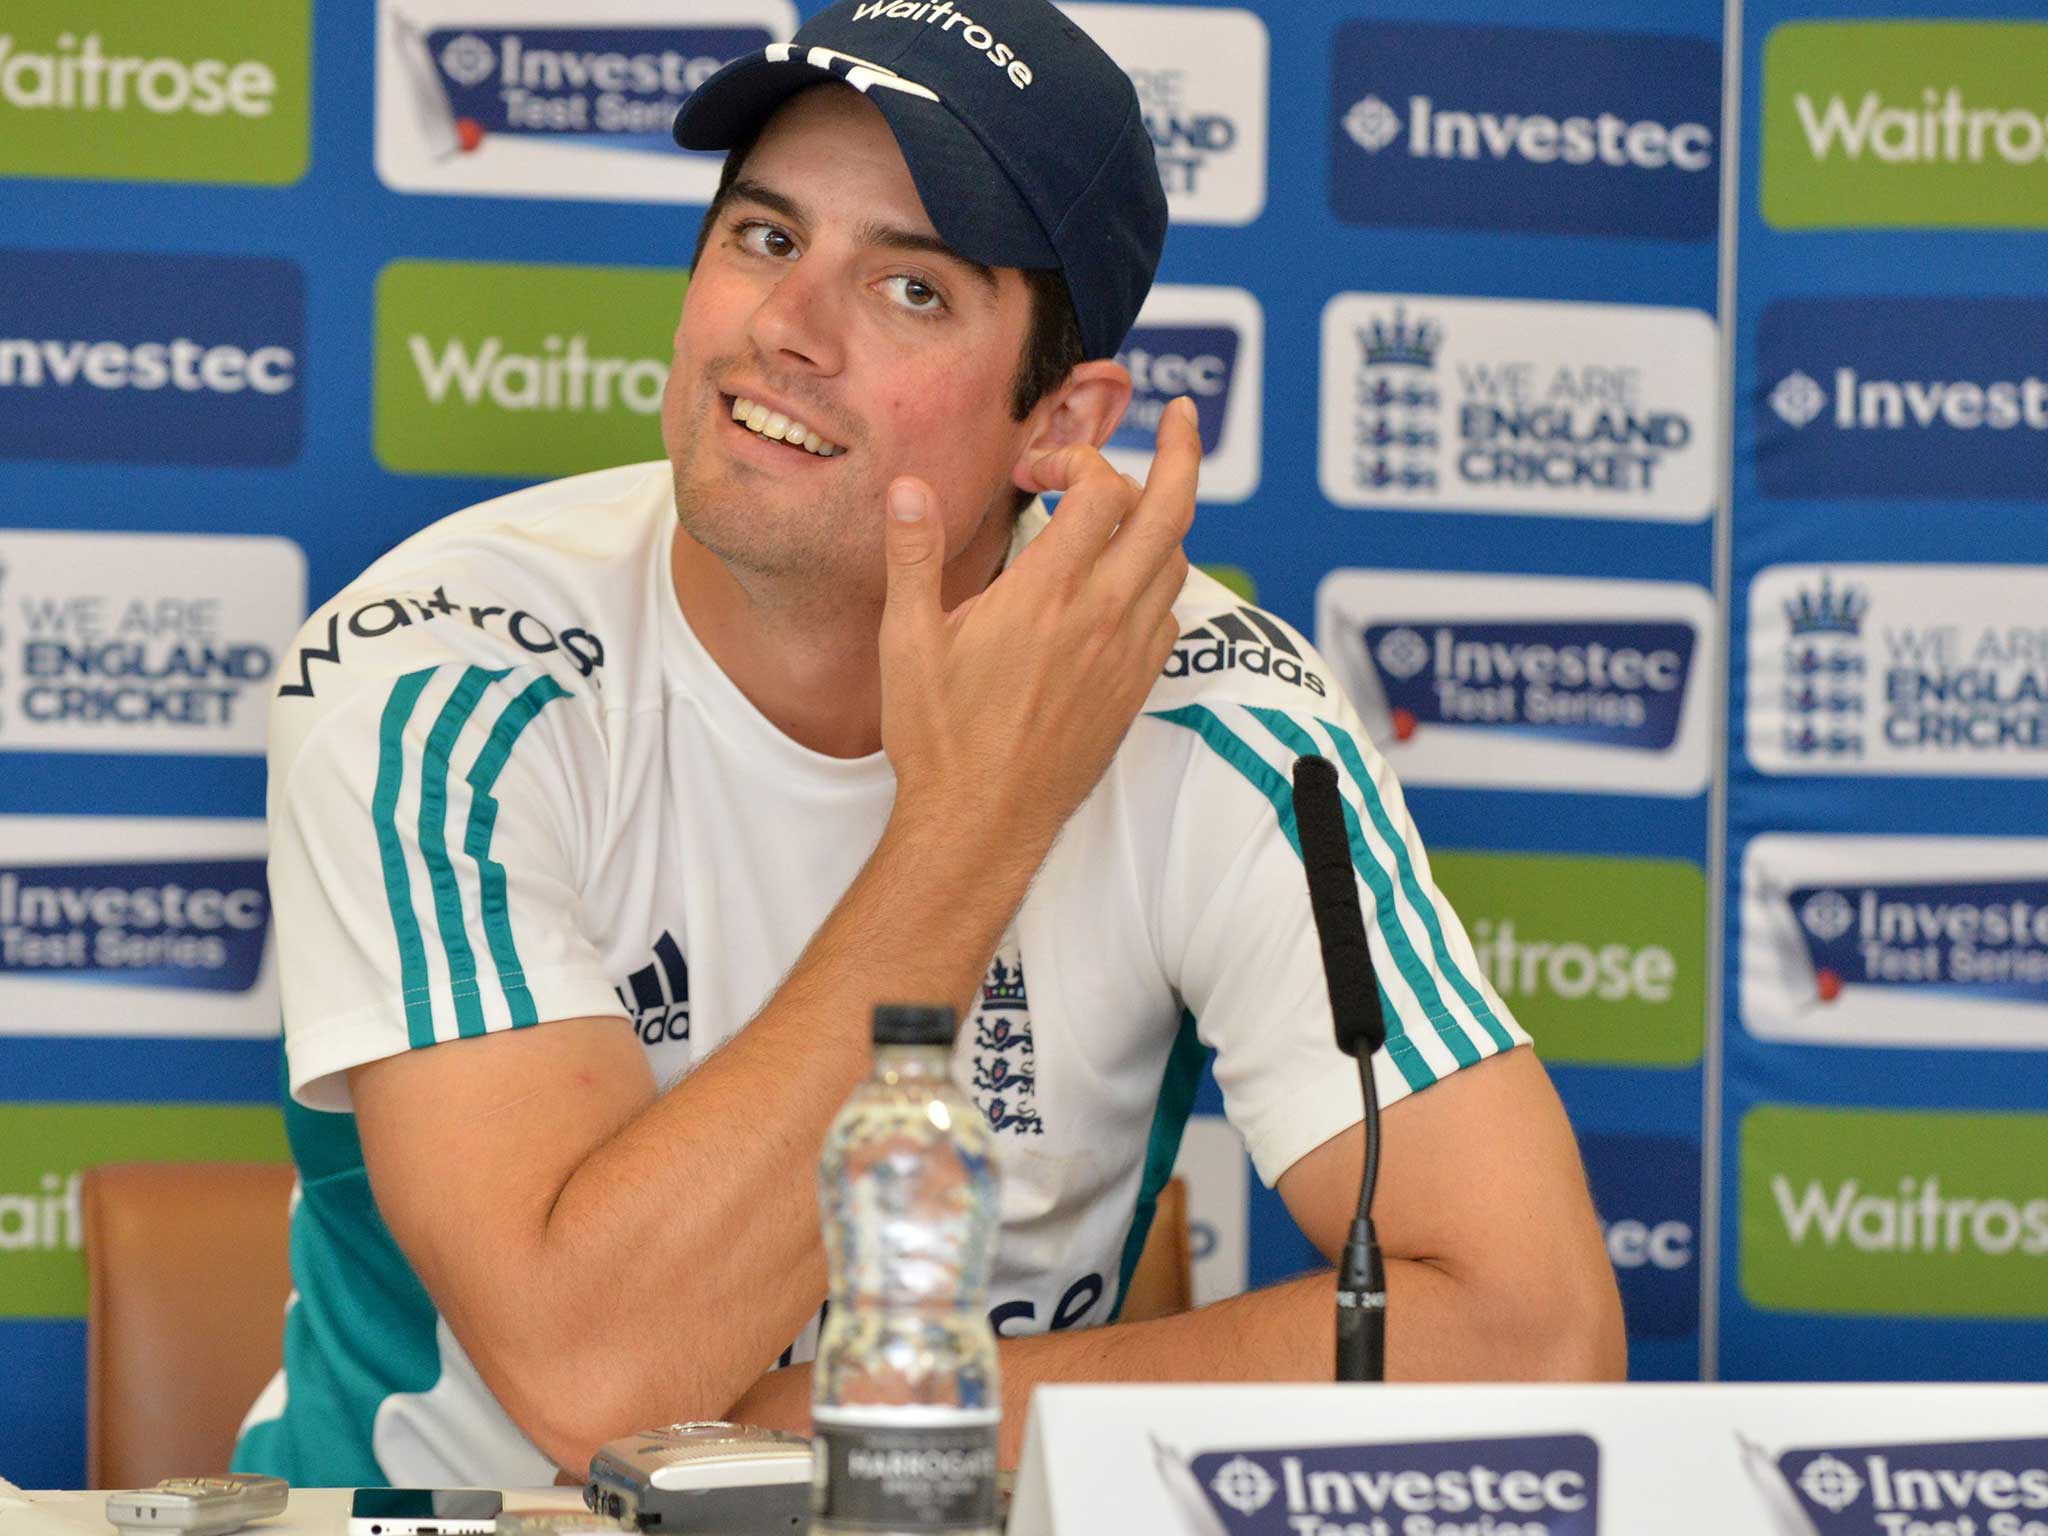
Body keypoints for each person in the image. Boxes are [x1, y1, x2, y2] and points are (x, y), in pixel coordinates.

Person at [233, 0, 1623, 1487]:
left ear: (1060, 425)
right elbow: (600, 1374)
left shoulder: (1223, 716)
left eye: (910, 289)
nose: (788, 329)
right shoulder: (439, 672)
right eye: (765, 240)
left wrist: (862, 1419)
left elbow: (1535, 1338)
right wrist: (978, 825)